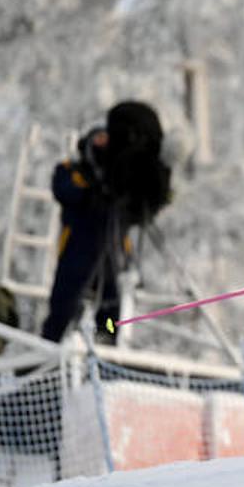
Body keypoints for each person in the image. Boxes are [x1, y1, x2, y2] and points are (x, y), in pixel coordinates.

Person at [41, 101, 172, 343]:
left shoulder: (119, 181)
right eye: (98, 139)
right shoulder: (72, 170)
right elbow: (66, 190)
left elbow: (137, 211)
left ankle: (108, 341)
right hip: (78, 249)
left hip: (114, 251)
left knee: (112, 305)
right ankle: (52, 341)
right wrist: (95, 190)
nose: (104, 144)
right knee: (66, 301)